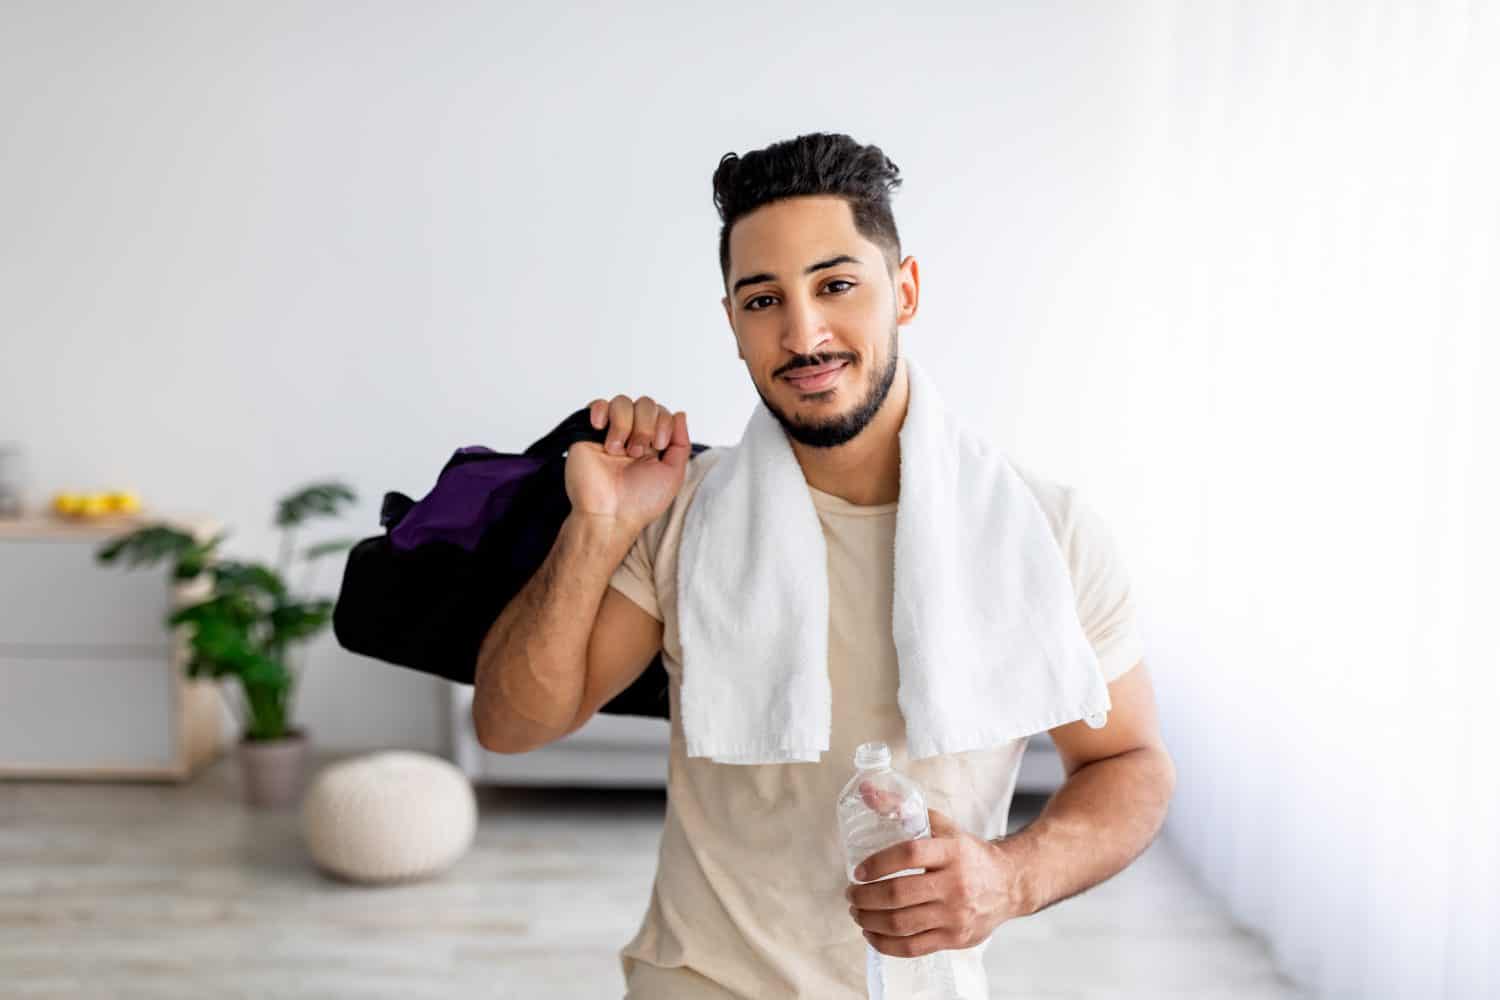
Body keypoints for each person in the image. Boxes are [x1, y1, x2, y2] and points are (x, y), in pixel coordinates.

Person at [471, 132, 1176, 999]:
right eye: (763, 299)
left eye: (836, 285)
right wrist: (597, 525)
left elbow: (1129, 763)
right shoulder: (684, 514)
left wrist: (1011, 879)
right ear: (732, 323)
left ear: (904, 291)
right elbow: (510, 727)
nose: (804, 334)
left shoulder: (1049, 531)